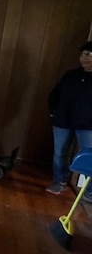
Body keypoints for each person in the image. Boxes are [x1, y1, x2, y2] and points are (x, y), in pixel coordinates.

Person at [46, 41, 92, 203]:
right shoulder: (70, 75)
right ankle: (59, 181)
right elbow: (54, 94)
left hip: (87, 125)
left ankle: (90, 190)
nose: (88, 58)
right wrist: (53, 112)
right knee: (59, 154)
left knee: (88, 157)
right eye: (85, 54)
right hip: (62, 122)